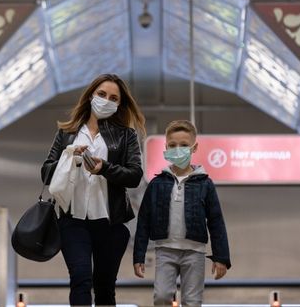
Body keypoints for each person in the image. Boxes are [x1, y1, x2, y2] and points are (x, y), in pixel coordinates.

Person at [41, 73, 146, 306]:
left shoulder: (126, 135)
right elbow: (45, 173)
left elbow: (134, 176)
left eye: (113, 98)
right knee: (80, 279)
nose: (106, 100)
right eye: (101, 94)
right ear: (90, 96)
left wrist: (104, 168)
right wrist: (69, 157)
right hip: (72, 221)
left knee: (104, 287)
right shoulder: (68, 133)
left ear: (119, 104)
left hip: (110, 223)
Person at [133, 120, 231, 307]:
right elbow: (144, 221)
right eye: (172, 145)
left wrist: (221, 257)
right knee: (161, 297)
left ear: (194, 148)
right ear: (166, 147)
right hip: (165, 250)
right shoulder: (156, 184)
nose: (178, 149)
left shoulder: (205, 184)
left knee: (192, 301)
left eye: (184, 145)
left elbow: (216, 222)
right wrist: (139, 256)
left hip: (195, 252)